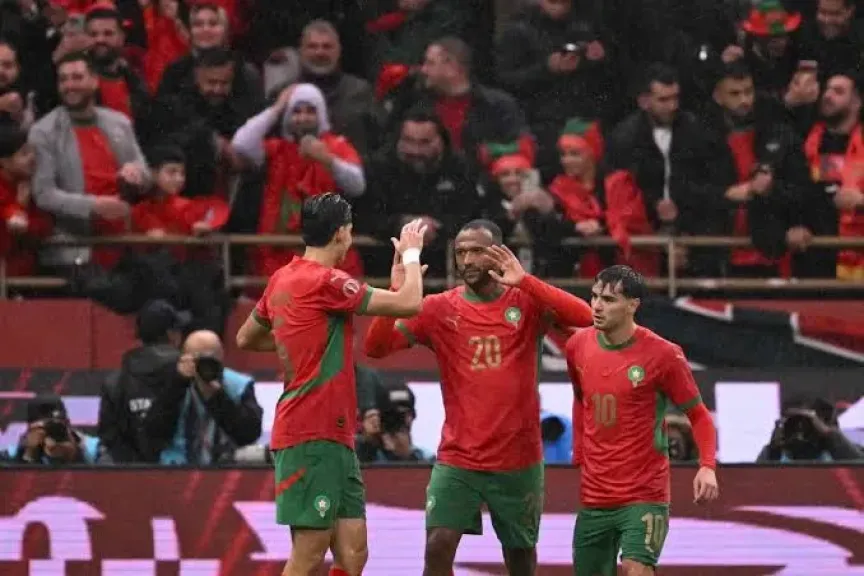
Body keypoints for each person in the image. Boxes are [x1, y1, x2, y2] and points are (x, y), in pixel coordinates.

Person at [364, 219, 594, 576]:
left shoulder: (527, 302)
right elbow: (376, 348)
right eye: (460, 253)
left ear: (499, 253)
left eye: (476, 251)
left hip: (518, 458)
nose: (467, 260)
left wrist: (526, 281)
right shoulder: (438, 308)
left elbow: (587, 317)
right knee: (437, 545)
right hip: (459, 457)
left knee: (520, 559)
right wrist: (395, 293)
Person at [235, 192, 428, 576]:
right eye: (350, 231)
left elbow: (246, 338)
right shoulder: (328, 281)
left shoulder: (282, 279)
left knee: (353, 553)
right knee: (309, 552)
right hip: (310, 432)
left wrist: (297, 336)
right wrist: (411, 255)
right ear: (341, 233)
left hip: (335, 435)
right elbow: (410, 303)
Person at [565, 265, 720, 576]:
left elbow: (699, 415)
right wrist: (579, 450)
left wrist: (707, 466)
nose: (597, 306)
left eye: (609, 300)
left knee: (635, 569)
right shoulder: (577, 345)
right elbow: (582, 399)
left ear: (632, 305)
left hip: (644, 493)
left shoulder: (664, 355)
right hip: (594, 494)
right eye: (594, 297)